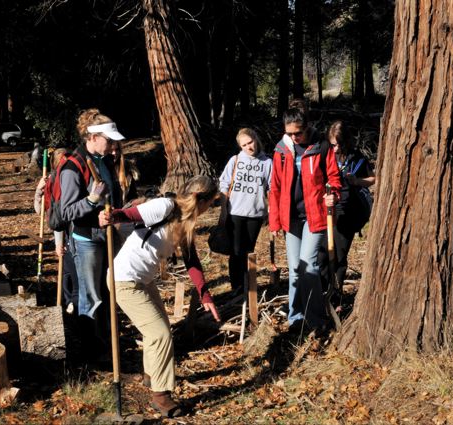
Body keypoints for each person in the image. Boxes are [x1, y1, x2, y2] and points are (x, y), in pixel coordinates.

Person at [99, 175, 221, 418]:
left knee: (160, 329)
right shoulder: (165, 206)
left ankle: (152, 375)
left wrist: (205, 296)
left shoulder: (186, 221)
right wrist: (112, 216)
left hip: (143, 280)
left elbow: (192, 262)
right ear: (202, 199)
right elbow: (131, 215)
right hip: (124, 280)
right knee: (160, 334)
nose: (210, 208)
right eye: (211, 202)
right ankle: (161, 396)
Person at [268, 99, 342, 334]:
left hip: (315, 216)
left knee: (308, 264)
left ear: (307, 127)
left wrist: (334, 195)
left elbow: (334, 178)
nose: (294, 137)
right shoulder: (281, 151)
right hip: (291, 218)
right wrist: (275, 221)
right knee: (294, 268)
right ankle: (295, 318)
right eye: (289, 133)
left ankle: (317, 320)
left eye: (298, 133)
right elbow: (276, 187)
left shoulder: (321, 147)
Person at [59, 108, 123, 352]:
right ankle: (89, 352)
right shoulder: (72, 167)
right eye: (109, 139)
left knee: (107, 293)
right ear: (93, 137)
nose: (112, 145)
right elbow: (66, 212)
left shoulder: (104, 160)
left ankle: (107, 343)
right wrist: (91, 201)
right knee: (90, 297)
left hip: (107, 235)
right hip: (86, 240)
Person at [218, 128, 272, 292]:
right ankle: (236, 287)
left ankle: (248, 286)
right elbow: (224, 185)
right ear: (240, 147)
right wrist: (223, 210)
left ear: (256, 139)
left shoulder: (267, 163)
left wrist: (271, 211)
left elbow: (271, 189)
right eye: (244, 145)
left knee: (248, 252)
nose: (248, 147)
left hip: (255, 215)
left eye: (250, 142)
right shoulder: (235, 160)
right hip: (235, 213)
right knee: (235, 252)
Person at [327, 121, 375, 287]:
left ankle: (337, 292)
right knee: (323, 253)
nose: (336, 148)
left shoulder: (356, 157)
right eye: (333, 144)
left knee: (340, 253)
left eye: (339, 144)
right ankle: (324, 289)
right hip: (327, 209)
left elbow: (372, 179)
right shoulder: (326, 155)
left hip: (349, 210)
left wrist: (356, 181)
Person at [33, 148, 81, 313]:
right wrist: (39, 190)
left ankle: (73, 303)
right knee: (67, 270)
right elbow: (44, 212)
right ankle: (68, 303)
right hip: (63, 233)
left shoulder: (73, 178)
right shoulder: (52, 181)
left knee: (72, 270)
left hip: (75, 234)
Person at [110, 139, 139, 205]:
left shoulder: (127, 168)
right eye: (111, 150)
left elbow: (132, 194)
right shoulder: (101, 169)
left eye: (117, 149)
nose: (114, 153)